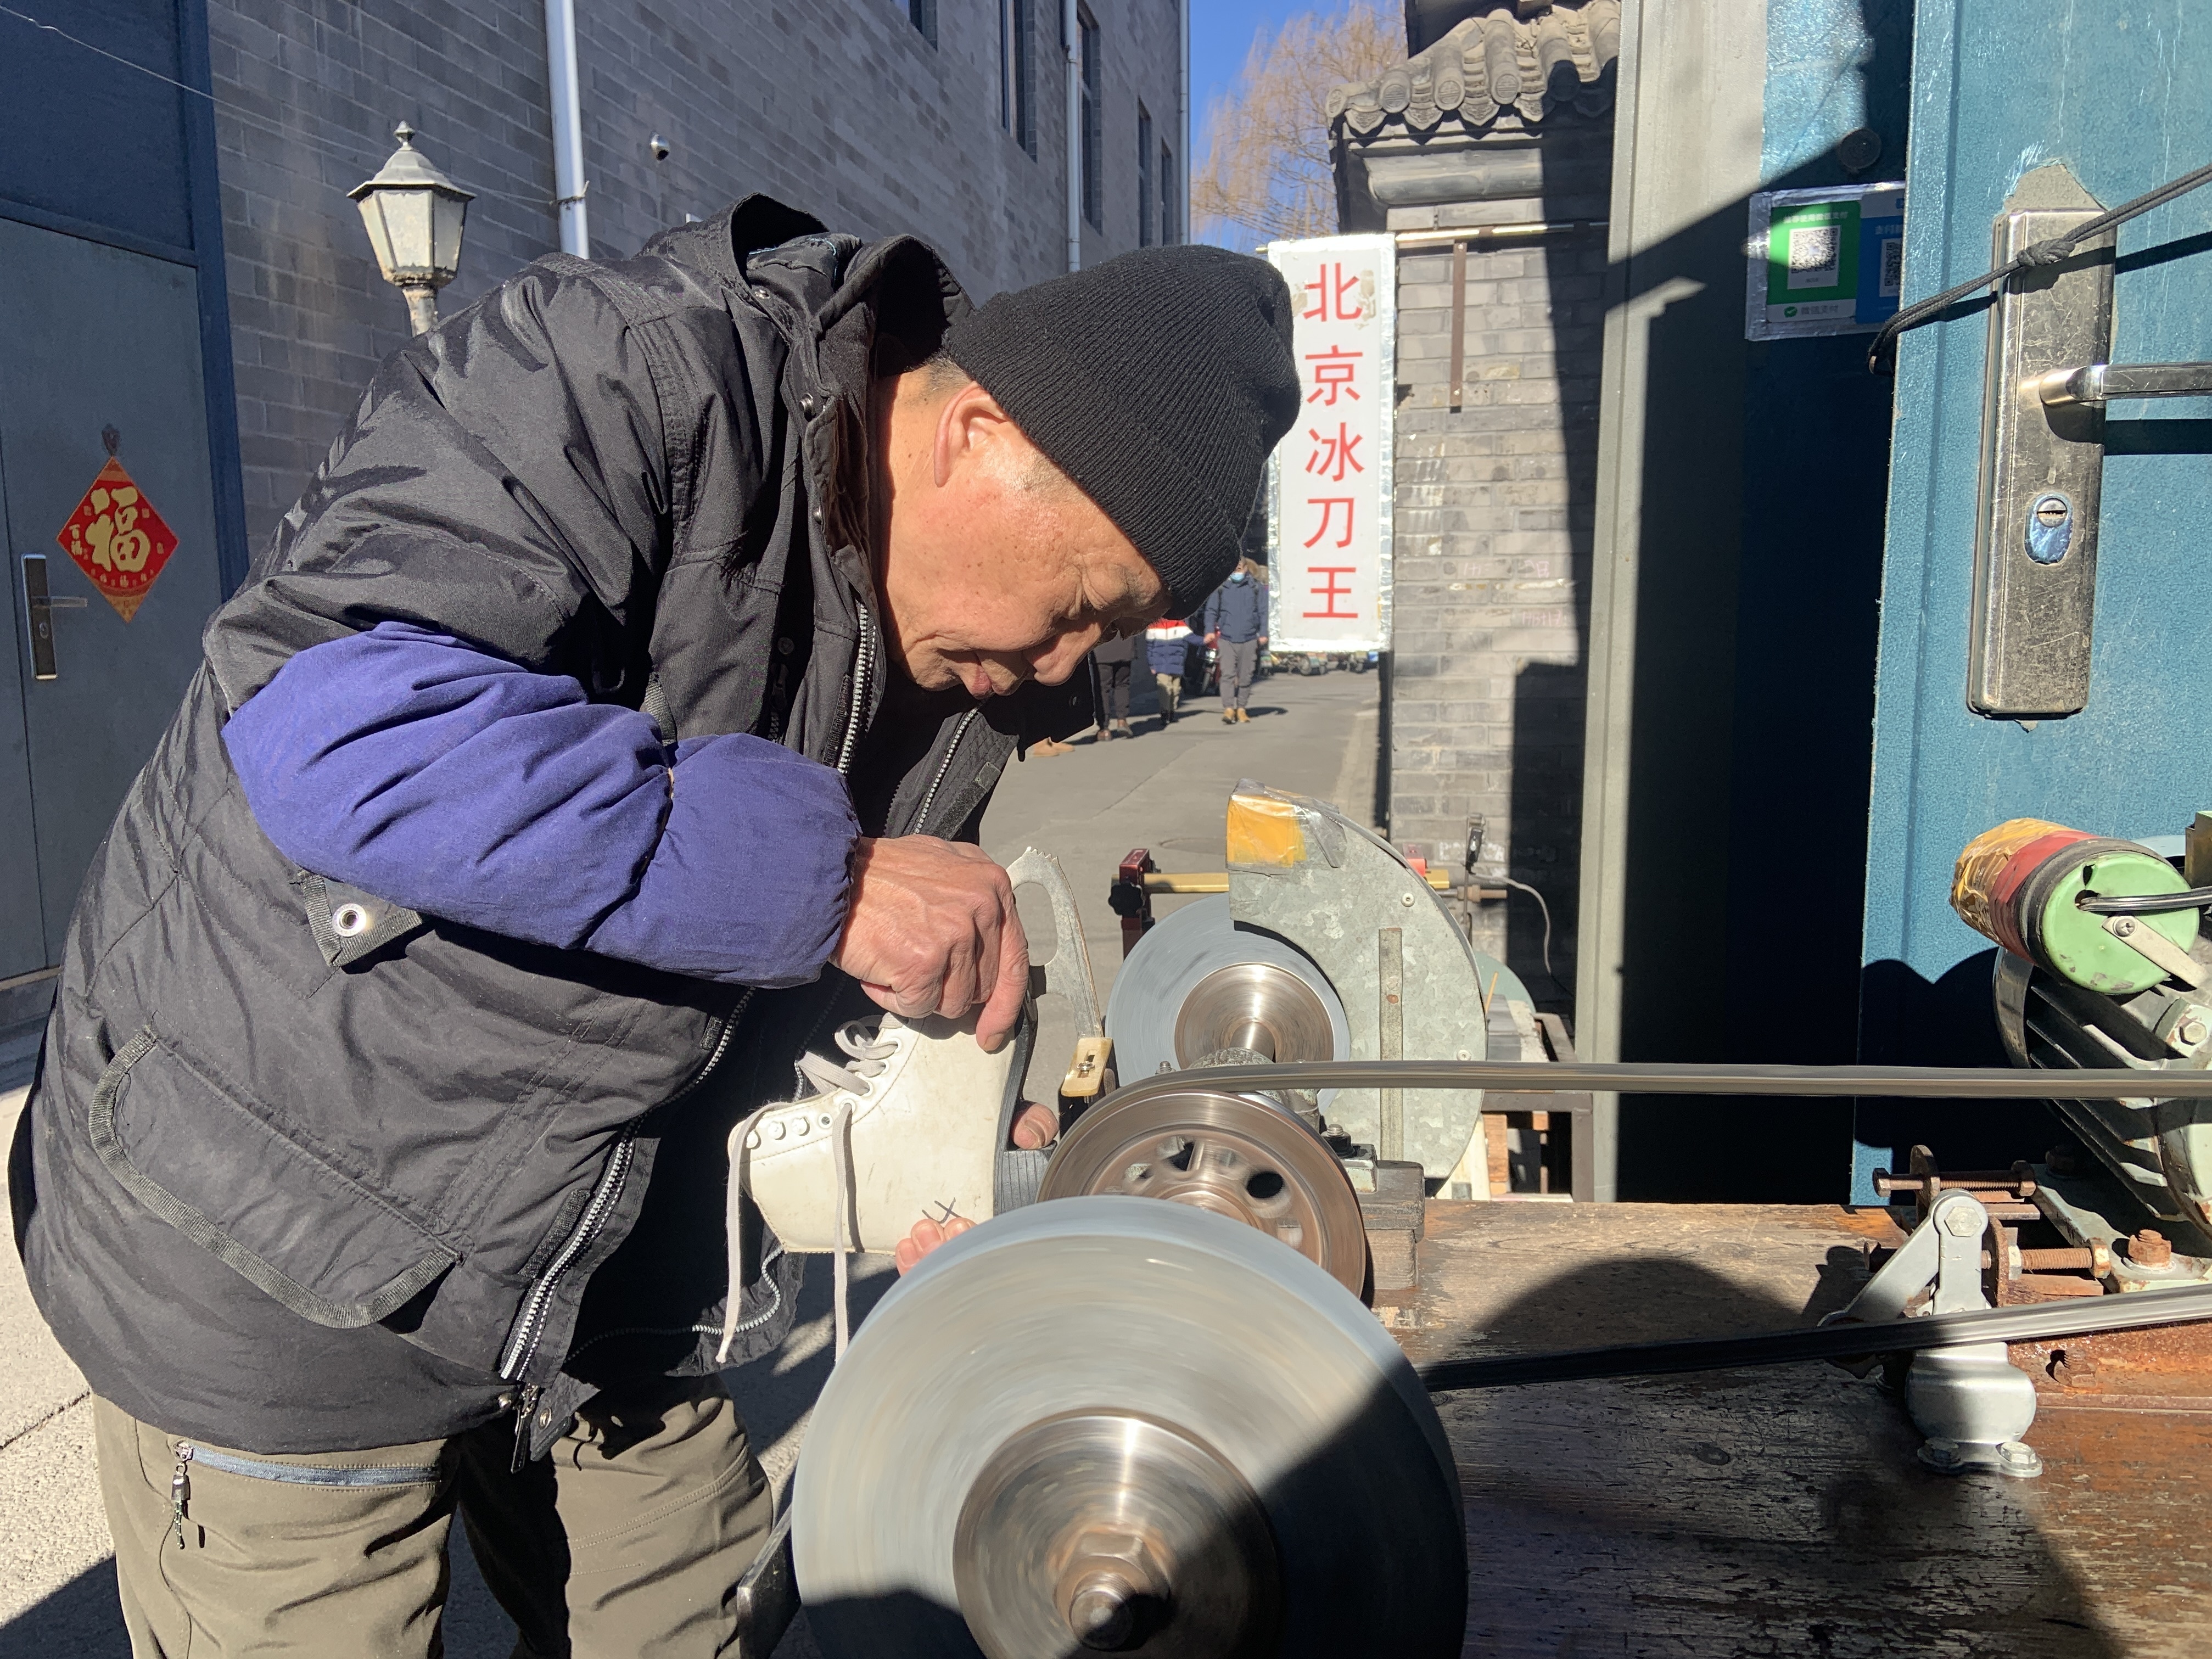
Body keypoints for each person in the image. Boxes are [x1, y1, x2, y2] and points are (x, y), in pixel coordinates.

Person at [9, 197, 1298, 1656]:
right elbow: (344, 739)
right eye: (1080, 606)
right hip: (281, 1243)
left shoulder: (958, 649)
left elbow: (728, 939)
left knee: (706, 1618)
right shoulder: (617, 377)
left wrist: (922, 1142)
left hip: (605, 1252)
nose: (1057, 671)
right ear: (978, 434)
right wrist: (839, 882)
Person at [1205, 558, 1268, 723]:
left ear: (1246, 569)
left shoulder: (1255, 588)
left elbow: (1263, 612)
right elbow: (1211, 610)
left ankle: (1241, 709)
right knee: (1227, 675)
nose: (1236, 572)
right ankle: (1228, 709)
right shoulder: (1220, 588)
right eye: (1233, 569)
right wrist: (1209, 631)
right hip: (1227, 638)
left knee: (1246, 676)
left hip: (1249, 639)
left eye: (1239, 569)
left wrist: (1263, 633)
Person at [1145, 614, 1196, 726]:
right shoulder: (1154, 625)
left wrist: (1207, 639)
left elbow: (1193, 638)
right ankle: (1165, 712)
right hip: (1161, 664)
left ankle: (1172, 711)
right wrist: (1152, 664)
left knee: (1175, 689)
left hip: (1176, 664)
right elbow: (1149, 647)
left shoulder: (1180, 625)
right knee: (1165, 688)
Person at [1092, 629, 1136, 738]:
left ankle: (1104, 728)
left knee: (1102, 690)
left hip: (1102, 651)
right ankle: (1122, 720)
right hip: (1124, 647)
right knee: (1122, 685)